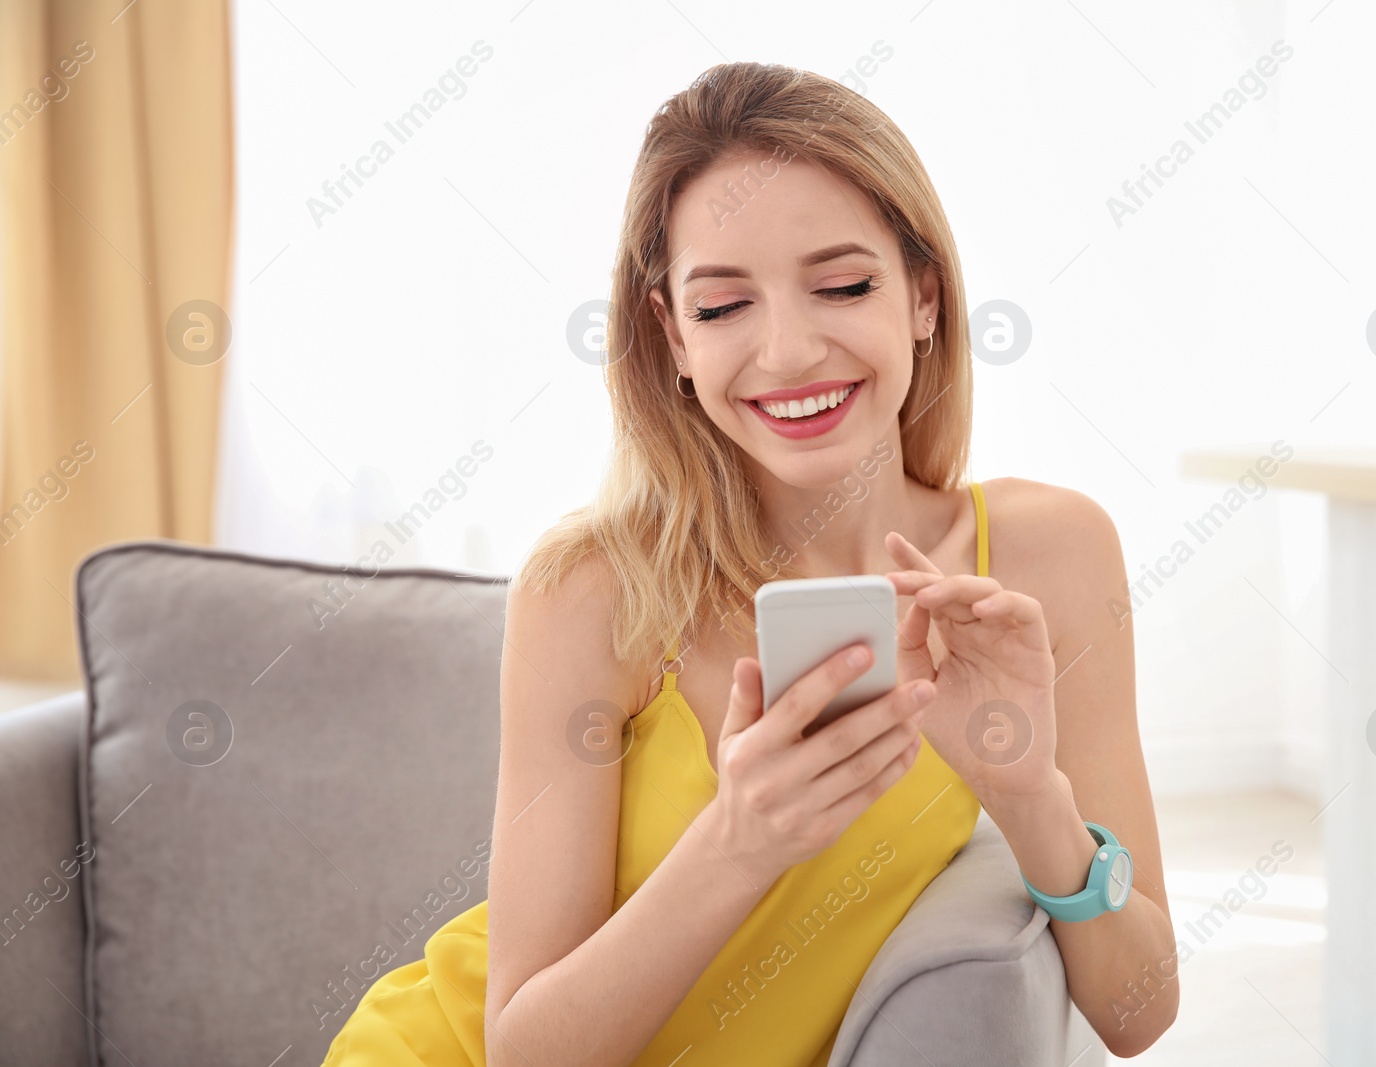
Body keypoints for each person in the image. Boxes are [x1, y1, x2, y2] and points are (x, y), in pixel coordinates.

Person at [322, 60, 1178, 1067]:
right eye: (723, 306)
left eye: (843, 285)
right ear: (670, 333)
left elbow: (1139, 1011)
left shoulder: (1050, 557)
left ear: (924, 298)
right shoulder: (589, 591)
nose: (785, 351)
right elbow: (522, 1048)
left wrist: (1027, 788)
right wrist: (741, 839)